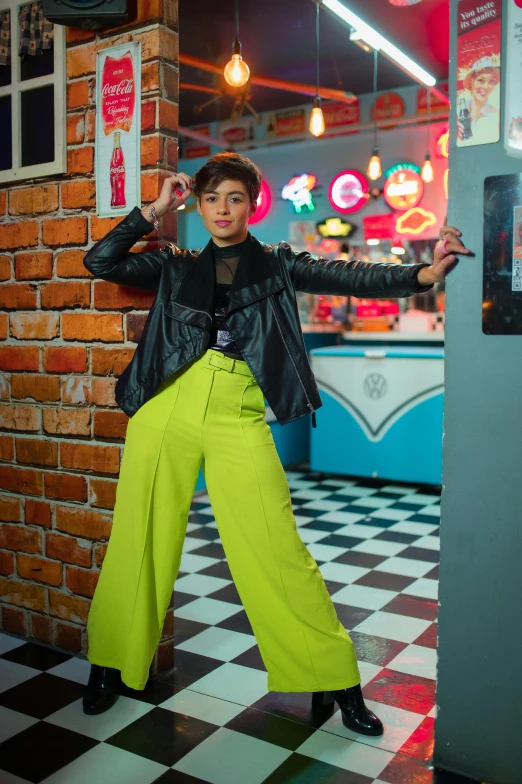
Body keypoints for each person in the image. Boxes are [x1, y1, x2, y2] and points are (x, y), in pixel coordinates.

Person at [81, 153, 470, 736]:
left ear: (251, 204)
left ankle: (334, 678)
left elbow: (349, 275)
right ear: (199, 205)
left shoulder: (278, 263)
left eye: (234, 198)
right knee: (139, 535)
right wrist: (154, 210)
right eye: (210, 199)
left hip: (238, 410)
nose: (221, 209)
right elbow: (100, 260)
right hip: (167, 405)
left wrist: (423, 274)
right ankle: (111, 664)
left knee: (275, 546)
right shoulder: (175, 264)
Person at [457, 56, 500, 145]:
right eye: (481, 80)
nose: (486, 87)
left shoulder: (496, 116)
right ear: (472, 82)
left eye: (491, 81)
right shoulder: (457, 112)